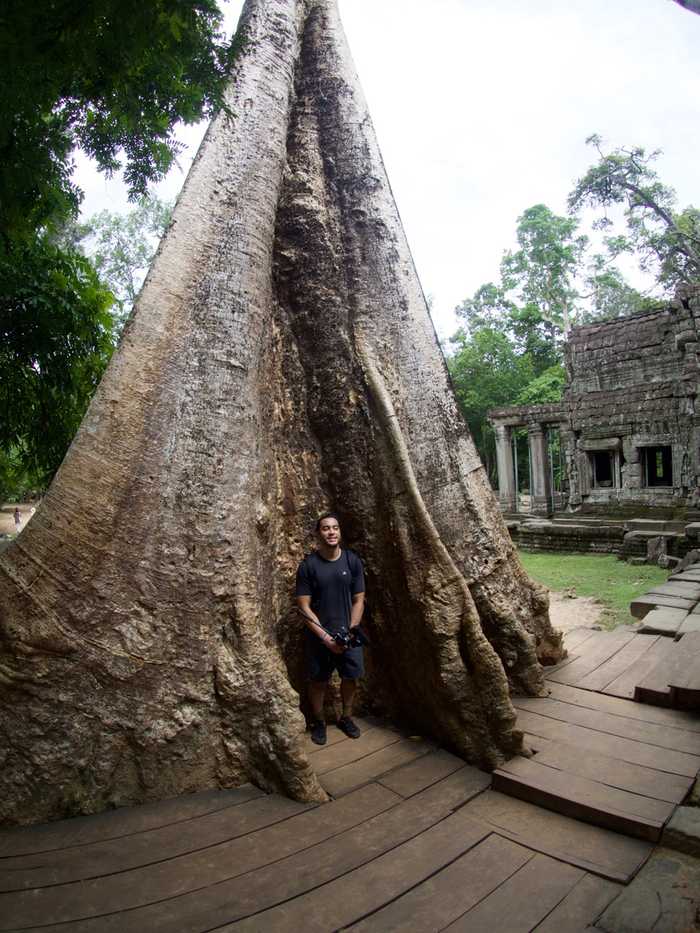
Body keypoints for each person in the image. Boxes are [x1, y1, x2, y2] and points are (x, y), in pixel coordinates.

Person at [296, 512, 366, 746]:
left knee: (351, 677)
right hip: (319, 637)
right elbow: (304, 607)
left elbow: (359, 599)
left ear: (340, 532)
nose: (331, 532)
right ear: (318, 534)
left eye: (335, 527)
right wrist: (326, 637)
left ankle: (346, 717)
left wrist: (351, 631)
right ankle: (318, 721)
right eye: (325, 528)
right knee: (318, 681)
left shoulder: (351, 561)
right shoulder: (308, 566)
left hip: (349, 635)